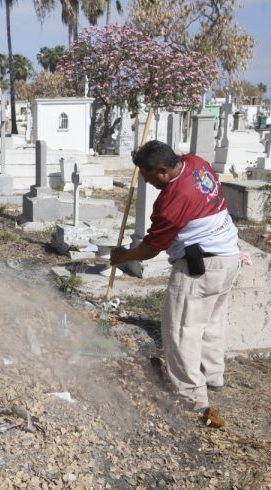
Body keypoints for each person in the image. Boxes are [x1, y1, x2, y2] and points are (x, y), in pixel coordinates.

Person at [110, 141, 240, 412]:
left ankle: (191, 395)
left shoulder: (172, 202)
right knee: (211, 320)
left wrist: (123, 256)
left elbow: (150, 249)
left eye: (148, 177)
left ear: (162, 171)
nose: (147, 183)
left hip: (199, 268)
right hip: (229, 257)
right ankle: (212, 374)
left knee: (182, 330)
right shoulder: (195, 163)